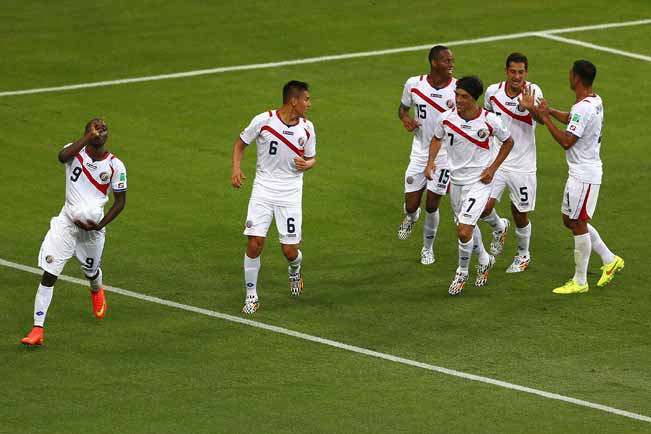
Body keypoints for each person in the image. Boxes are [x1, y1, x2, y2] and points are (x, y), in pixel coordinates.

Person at [21, 119, 127, 345]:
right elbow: (61, 157)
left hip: (92, 232)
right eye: (96, 127)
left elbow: (120, 202)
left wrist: (101, 224)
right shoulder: (74, 151)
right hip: (66, 225)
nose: (100, 130)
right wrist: (87, 138)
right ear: (87, 132)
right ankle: (37, 330)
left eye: (104, 128)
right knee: (50, 273)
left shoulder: (115, 166)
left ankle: (96, 289)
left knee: (91, 270)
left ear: (107, 137)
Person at [534, 60, 624, 294]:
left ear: (575, 78)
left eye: (570, 73)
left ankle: (580, 281)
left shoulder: (583, 107)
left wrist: (545, 119)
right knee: (569, 219)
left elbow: (567, 141)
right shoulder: (594, 100)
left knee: (577, 223)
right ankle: (609, 259)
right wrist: (551, 111)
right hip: (580, 172)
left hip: (584, 174)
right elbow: (574, 119)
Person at [231, 80, 317, 314]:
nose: (309, 104)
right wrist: (236, 168)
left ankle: (295, 269)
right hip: (263, 190)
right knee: (254, 242)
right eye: (306, 99)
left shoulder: (307, 128)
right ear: (293, 100)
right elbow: (240, 144)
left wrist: (307, 164)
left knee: (289, 251)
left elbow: (312, 158)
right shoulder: (264, 120)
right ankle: (251, 296)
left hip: (290, 193)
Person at [426, 76, 514, 295]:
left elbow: (508, 141)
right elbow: (437, 138)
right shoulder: (446, 118)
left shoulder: (490, 120)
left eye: (464, 96)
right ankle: (485, 259)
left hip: (480, 181)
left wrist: (492, 169)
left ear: (474, 98)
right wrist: (430, 163)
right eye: (457, 95)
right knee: (467, 227)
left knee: (463, 231)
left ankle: (462, 272)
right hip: (456, 182)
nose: (458, 99)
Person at [481, 53, 543, 273]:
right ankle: (499, 227)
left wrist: (530, 108)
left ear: (526, 72)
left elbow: (543, 120)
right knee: (482, 207)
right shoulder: (492, 92)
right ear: (506, 71)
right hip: (497, 160)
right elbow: (488, 119)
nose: (517, 76)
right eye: (513, 71)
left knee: (520, 213)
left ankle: (523, 255)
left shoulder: (533, 91)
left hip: (523, 164)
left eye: (521, 72)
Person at [397, 45, 457, 265]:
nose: (451, 65)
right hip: (420, 153)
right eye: (446, 61)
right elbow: (402, 109)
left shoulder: (457, 89)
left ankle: (427, 248)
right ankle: (411, 218)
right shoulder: (414, 84)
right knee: (412, 205)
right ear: (434, 62)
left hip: (444, 158)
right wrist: (406, 120)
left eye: (451, 61)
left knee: (432, 204)